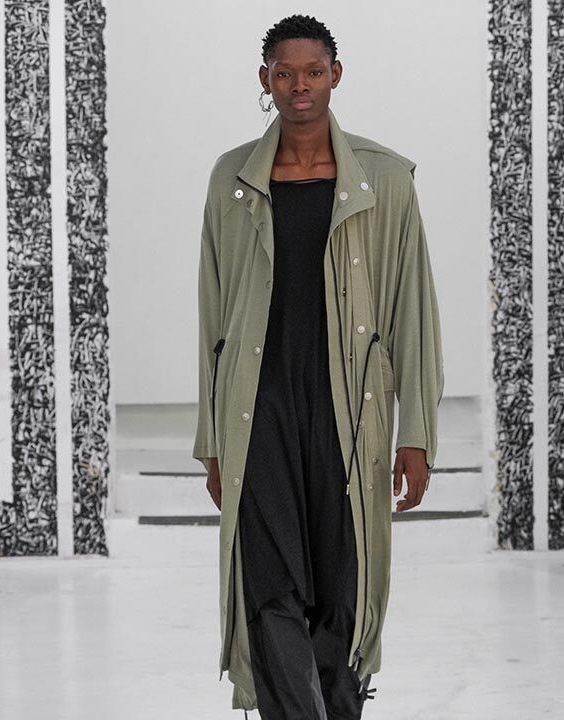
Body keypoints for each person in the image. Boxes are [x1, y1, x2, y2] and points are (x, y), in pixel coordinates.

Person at [193, 14, 444, 719]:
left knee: (342, 589)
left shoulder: (385, 179)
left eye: (312, 71)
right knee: (268, 583)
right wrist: (213, 442)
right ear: (265, 80)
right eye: (284, 73)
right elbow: (213, 316)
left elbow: (413, 311)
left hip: (350, 410)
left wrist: (417, 433)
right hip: (259, 409)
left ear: (335, 75)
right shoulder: (232, 180)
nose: (298, 86)